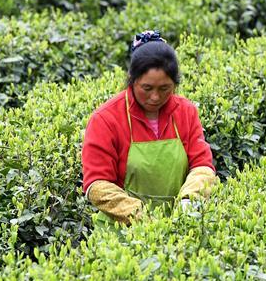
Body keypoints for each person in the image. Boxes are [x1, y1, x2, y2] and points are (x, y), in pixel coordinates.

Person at [82, 30, 218, 227]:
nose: (155, 97)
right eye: (147, 88)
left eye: (164, 89)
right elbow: (97, 185)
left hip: (180, 227)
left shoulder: (185, 112)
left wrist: (190, 201)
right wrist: (140, 217)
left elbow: (202, 165)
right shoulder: (106, 119)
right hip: (121, 234)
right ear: (132, 80)